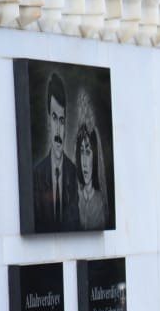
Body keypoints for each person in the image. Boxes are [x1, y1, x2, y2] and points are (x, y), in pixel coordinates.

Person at [32, 72, 79, 233]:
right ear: (48, 122)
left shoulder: (74, 174)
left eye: (61, 120)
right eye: (54, 118)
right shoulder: (37, 174)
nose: (58, 129)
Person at [74, 92, 109, 230]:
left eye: (88, 152)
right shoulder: (75, 200)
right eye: (81, 152)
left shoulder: (100, 203)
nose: (84, 161)